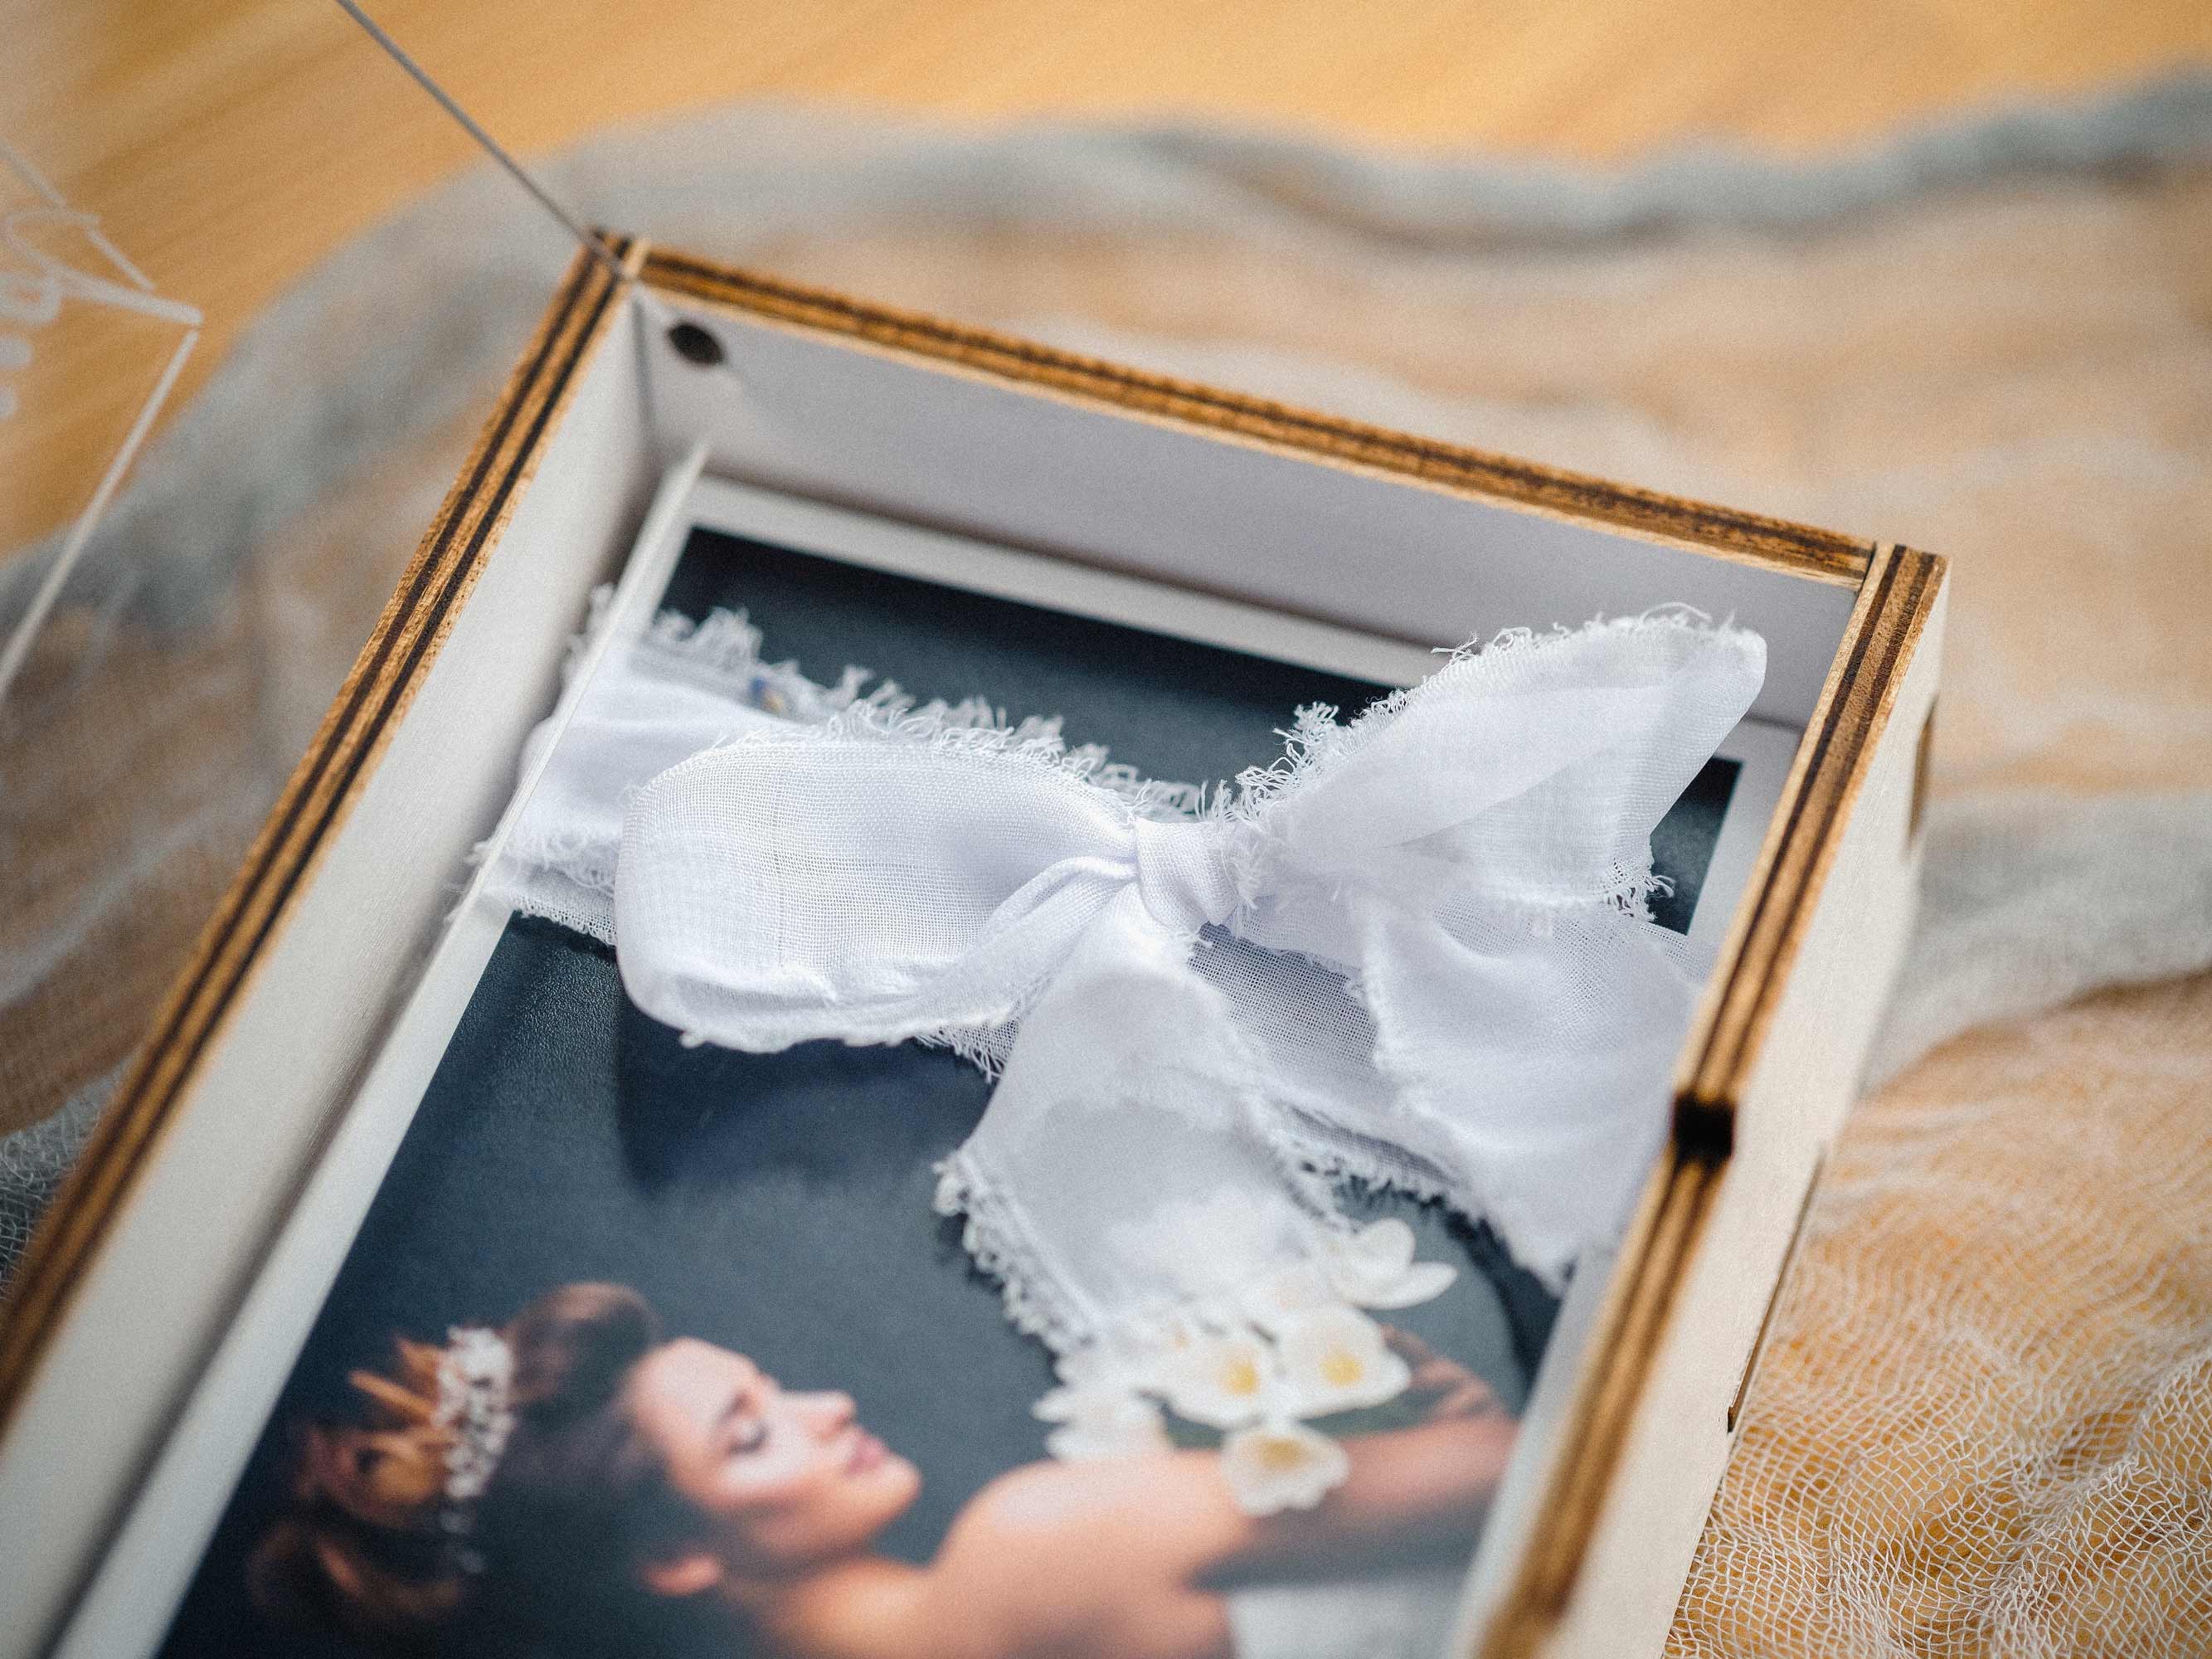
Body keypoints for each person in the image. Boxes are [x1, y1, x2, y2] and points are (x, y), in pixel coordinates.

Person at [254, 1282, 1516, 1659]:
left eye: (770, 1388)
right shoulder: (1032, 1549)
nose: (831, 1408)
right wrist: (1461, 1419)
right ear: (677, 1556)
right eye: (751, 1433)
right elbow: (1536, 1485)